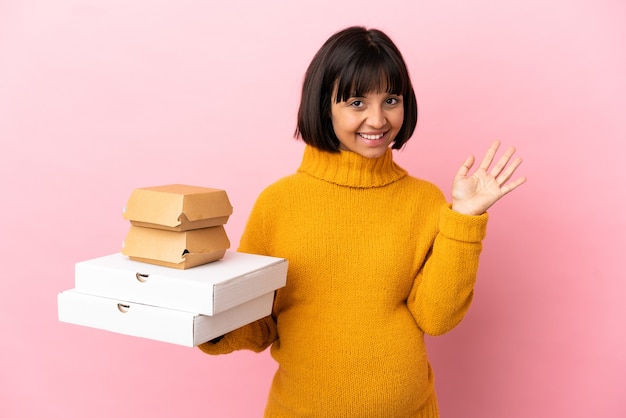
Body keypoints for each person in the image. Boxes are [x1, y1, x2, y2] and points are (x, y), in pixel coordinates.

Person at [198, 26, 526, 417]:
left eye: (391, 99)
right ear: (325, 106)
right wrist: (208, 321)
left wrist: (463, 222)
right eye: (356, 102)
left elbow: (436, 318)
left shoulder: (424, 202)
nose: (377, 119)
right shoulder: (278, 204)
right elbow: (260, 324)